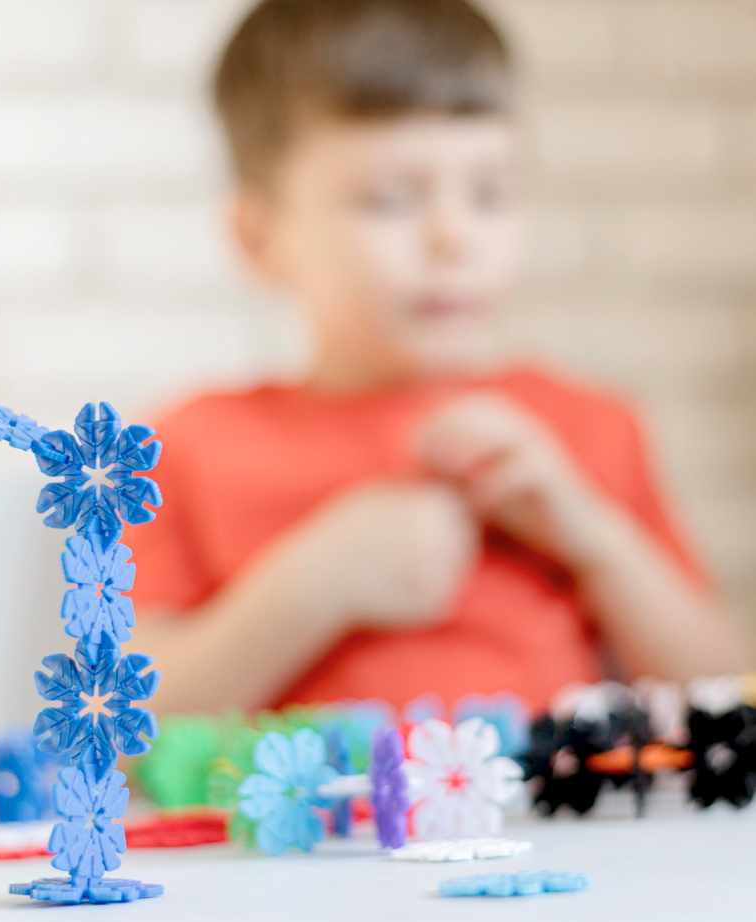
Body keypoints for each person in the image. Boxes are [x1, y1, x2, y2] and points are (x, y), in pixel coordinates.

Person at [122, 0, 753, 715]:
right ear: (259, 238)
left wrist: (595, 540)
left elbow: (729, 697)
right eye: (389, 200)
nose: (454, 237)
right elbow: (123, 726)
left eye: (490, 194)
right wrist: (309, 587)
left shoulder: (588, 431)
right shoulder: (184, 449)